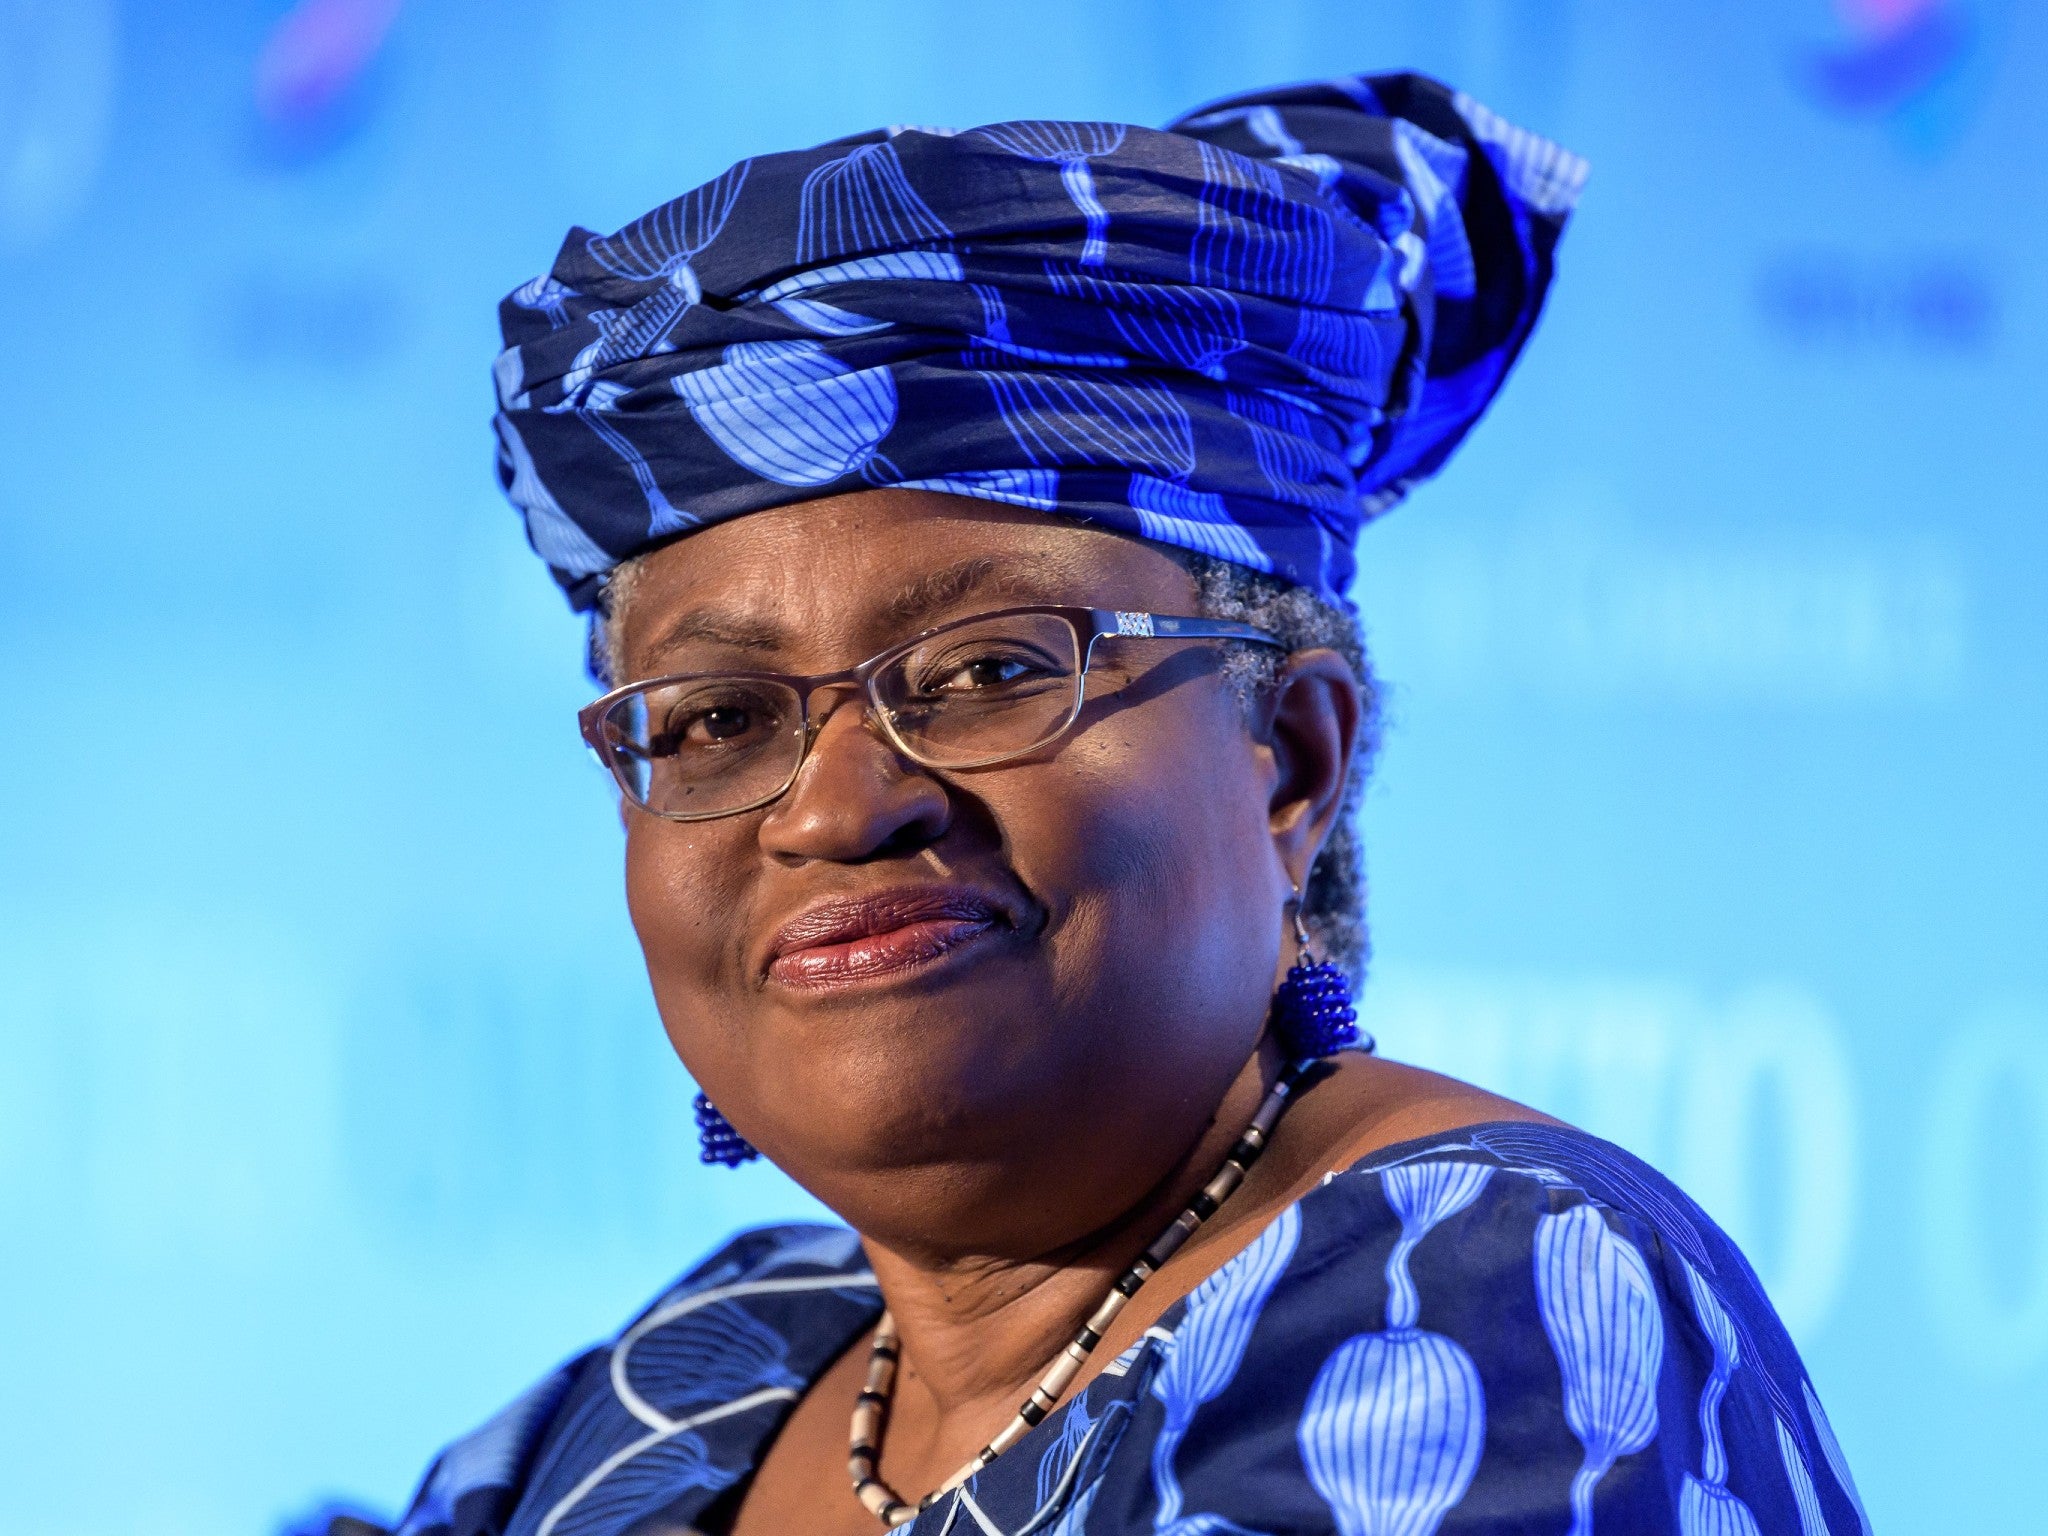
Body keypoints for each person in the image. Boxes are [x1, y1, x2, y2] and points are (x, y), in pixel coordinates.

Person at [357, 73, 1868, 1536]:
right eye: (717, 719)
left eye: (987, 669)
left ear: (1289, 755)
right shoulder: (711, 1363)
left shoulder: (1480, 1295)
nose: (834, 809)